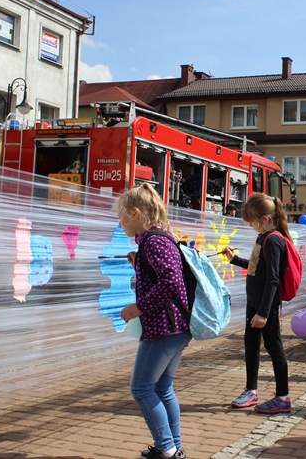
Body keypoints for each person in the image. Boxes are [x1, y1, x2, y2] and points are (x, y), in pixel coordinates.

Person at [117, 183, 191, 459]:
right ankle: (175, 446)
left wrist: (140, 306)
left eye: (121, 216)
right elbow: (165, 274)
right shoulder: (159, 238)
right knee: (162, 387)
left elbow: (171, 280)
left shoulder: (154, 241)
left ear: (135, 213)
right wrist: (139, 264)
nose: (120, 221)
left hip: (164, 327)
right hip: (176, 327)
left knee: (141, 387)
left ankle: (167, 448)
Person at [222, 193, 293, 414]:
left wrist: (263, 312)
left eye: (251, 220)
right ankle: (251, 390)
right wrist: (234, 260)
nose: (249, 225)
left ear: (264, 218)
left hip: (266, 305)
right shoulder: (263, 237)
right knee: (251, 345)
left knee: (274, 348)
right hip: (255, 303)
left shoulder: (273, 240)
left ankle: (283, 397)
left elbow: (273, 278)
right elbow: (255, 267)